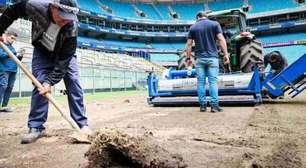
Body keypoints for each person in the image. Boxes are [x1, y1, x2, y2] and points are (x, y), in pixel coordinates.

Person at [0, 0, 91, 144]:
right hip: (42, 51)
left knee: (73, 81)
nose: (65, 21)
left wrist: (51, 82)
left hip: (63, 54)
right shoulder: (35, 6)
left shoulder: (71, 26)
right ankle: (36, 127)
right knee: (39, 84)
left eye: (68, 18)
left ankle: (82, 124)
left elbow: (63, 62)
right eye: (62, 16)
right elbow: (12, 11)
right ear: (53, 7)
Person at [186, 11, 230, 113]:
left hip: (199, 59)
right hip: (212, 58)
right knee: (212, 82)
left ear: (197, 17)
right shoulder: (215, 24)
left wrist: (188, 59)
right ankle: (214, 106)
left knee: (200, 83)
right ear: (206, 17)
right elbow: (221, 39)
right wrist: (226, 54)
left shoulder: (193, 27)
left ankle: (202, 106)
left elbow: (188, 45)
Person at [0, 31, 23, 113]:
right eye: (12, 38)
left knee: (9, 87)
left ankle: (4, 106)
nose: (13, 40)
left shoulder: (12, 48)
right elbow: (1, 55)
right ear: (6, 36)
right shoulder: (1, 45)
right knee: (3, 86)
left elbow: (15, 59)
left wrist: (20, 56)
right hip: (4, 69)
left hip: (13, 70)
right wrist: (14, 51)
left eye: (14, 39)